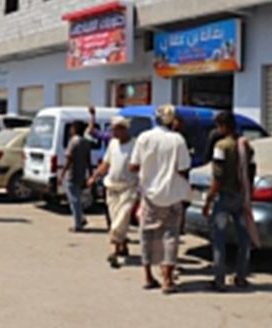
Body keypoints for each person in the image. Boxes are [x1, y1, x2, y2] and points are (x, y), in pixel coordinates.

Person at [129, 105, 191, 294]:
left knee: (147, 234)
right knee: (170, 236)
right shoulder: (178, 140)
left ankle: (148, 276)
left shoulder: (144, 138)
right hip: (172, 195)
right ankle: (167, 280)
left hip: (149, 195)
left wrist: (148, 168)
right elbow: (183, 168)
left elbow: (133, 165)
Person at [202, 111, 255, 292]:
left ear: (223, 126)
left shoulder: (221, 146)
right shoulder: (246, 145)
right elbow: (251, 171)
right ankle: (241, 276)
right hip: (241, 197)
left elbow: (218, 177)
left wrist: (208, 199)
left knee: (219, 239)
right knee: (244, 238)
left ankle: (219, 279)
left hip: (225, 197)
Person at [87, 116, 138, 268]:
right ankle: (121, 247)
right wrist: (95, 176)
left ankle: (115, 252)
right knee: (115, 219)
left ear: (123, 129)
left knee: (120, 220)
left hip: (129, 188)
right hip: (112, 187)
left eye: (115, 130)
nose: (112, 133)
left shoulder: (135, 145)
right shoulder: (113, 143)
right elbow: (106, 163)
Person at [60, 121, 92, 232]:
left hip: (72, 174)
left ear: (75, 129)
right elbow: (88, 160)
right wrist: (90, 174)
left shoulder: (73, 142)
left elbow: (69, 159)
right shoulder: (86, 142)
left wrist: (62, 173)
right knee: (77, 198)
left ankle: (78, 224)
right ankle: (81, 218)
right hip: (81, 174)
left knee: (74, 200)